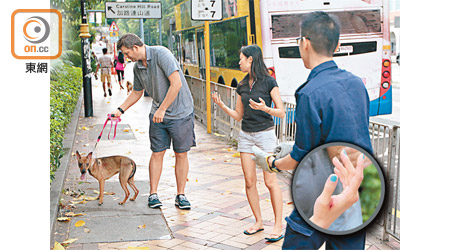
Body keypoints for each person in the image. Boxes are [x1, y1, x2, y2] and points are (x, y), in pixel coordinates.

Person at [252, 11, 373, 249]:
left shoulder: (309, 92)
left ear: (304, 43)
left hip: (321, 192)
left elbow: (301, 156)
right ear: (336, 45)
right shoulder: (357, 84)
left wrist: (271, 163)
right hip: (356, 193)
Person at [111, 33, 196, 210]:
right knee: (157, 152)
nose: (126, 57)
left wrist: (163, 109)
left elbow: (176, 83)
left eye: (127, 53)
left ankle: (181, 195)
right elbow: (137, 92)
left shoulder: (161, 54)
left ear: (135, 47)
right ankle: (153, 194)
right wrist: (120, 110)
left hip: (180, 112)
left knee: (181, 153)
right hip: (158, 114)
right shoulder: (137, 68)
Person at [211, 44, 286, 242]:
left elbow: (281, 111)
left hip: (265, 135)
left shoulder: (270, 82)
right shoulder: (242, 85)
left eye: (242, 58)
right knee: (249, 182)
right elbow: (238, 115)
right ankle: (259, 221)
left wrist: (265, 109)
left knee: (270, 181)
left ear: (251, 59)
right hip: (246, 136)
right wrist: (221, 105)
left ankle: (278, 225)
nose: (239, 62)